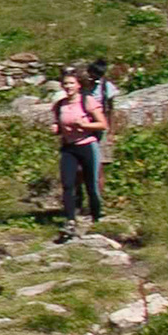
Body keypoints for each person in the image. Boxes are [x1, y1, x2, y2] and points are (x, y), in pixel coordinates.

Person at [50, 62, 109, 233]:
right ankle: (70, 220)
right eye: (65, 84)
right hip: (69, 147)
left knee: (91, 184)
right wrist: (56, 128)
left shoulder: (87, 101)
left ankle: (96, 215)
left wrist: (84, 125)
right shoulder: (60, 105)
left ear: (79, 85)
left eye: (71, 83)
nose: (68, 87)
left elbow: (102, 124)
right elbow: (58, 123)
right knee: (68, 183)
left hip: (87, 145)